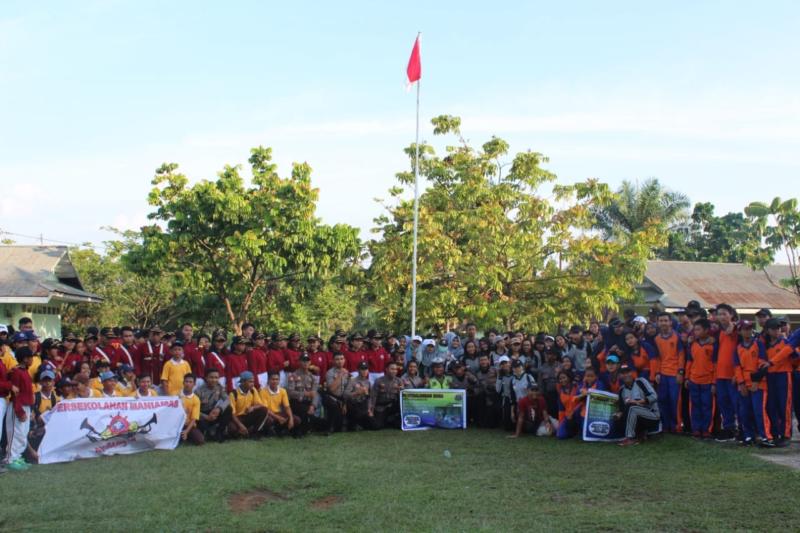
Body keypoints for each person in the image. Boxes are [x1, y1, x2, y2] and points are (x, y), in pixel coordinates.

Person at [734, 320, 773, 447]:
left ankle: (765, 437)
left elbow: (762, 364)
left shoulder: (758, 344)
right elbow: (737, 367)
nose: (748, 331)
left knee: (759, 411)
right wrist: (741, 383)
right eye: (745, 328)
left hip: (758, 383)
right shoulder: (738, 347)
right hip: (744, 383)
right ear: (739, 331)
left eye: (750, 328)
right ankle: (748, 436)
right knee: (744, 411)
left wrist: (756, 381)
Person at [651, 312, 685, 433]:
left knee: (675, 401)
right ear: (657, 322)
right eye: (661, 321)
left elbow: (681, 355)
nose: (663, 323)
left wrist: (680, 372)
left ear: (670, 322)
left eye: (666, 320)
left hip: (674, 374)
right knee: (662, 400)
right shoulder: (657, 339)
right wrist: (657, 373)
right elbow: (658, 358)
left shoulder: (677, 337)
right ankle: (666, 425)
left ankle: (676, 426)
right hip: (663, 374)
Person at [763, 318, 795, 445]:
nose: (776, 331)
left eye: (778, 328)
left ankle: (786, 434)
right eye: (773, 328)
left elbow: (794, 358)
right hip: (770, 376)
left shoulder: (786, 342)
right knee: (771, 406)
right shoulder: (764, 344)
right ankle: (775, 433)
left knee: (784, 406)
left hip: (783, 375)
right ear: (767, 330)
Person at [686, 319, 717, 439]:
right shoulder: (692, 344)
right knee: (695, 405)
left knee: (707, 406)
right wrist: (687, 377)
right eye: (695, 329)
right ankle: (696, 429)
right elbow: (689, 361)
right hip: (694, 380)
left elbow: (715, 365)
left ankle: (706, 429)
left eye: (698, 329)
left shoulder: (713, 345)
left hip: (708, 381)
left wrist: (714, 382)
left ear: (706, 330)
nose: (695, 332)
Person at [616, 364, 661, 446]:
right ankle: (640, 434)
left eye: (628, 372)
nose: (626, 375)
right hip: (637, 417)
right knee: (619, 418)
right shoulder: (622, 390)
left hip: (651, 414)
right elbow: (622, 409)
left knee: (632, 407)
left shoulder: (640, 381)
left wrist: (639, 402)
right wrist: (618, 414)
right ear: (620, 376)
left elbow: (654, 396)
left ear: (631, 372)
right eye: (623, 373)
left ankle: (631, 438)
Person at [5, 347, 34, 470]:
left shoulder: (25, 371)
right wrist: (19, 410)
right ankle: (11, 458)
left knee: (23, 434)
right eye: (31, 357)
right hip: (18, 406)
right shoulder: (16, 372)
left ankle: (17, 457)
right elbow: (15, 394)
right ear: (25, 359)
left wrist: (29, 409)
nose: (32, 360)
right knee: (15, 434)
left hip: (26, 406)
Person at [714, 304, 740, 441]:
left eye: (725, 313)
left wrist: (735, 325)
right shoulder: (719, 332)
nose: (722, 316)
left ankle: (743, 428)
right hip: (720, 374)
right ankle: (729, 428)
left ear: (731, 315)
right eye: (720, 314)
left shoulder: (737, 330)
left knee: (737, 403)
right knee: (724, 403)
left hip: (733, 375)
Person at [228, 371, 269, 439]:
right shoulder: (233, 394)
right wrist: (240, 425)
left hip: (248, 416)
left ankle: (254, 433)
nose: (252, 384)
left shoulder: (253, 390)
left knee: (264, 410)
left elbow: (260, 405)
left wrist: (253, 407)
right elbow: (232, 414)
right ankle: (242, 433)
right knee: (232, 428)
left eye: (253, 382)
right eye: (250, 382)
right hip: (238, 418)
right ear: (243, 382)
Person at [286, 354, 319, 436]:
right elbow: (290, 392)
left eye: (307, 361)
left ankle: (306, 429)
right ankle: (300, 430)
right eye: (303, 361)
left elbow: (315, 394)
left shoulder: (313, 377)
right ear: (299, 362)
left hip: (307, 403)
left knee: (312, 415)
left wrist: (313, 406)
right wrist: (305, 393)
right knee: (305, 412)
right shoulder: (293, 375)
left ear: (310, 362)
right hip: (296, 402)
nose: (305, 363)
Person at [196, 368, 232, 442]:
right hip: (202, 416)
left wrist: (219, 408)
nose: (214, 380)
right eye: (211, 377)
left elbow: (227, 399)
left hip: (214, 413)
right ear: (206, 378)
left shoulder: (219, 387)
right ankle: (208, 433)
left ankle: (219, 433)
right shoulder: (198, 391)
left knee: (228, 409)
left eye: (216, 378)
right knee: (202, 433)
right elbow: (195, 410)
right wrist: (206, 417)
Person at [260, 372, 299, 436]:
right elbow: (265, 409)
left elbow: (287, 407)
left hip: (279, 413)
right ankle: (273, 431)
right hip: (269, 414)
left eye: (277, 379)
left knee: (297, 419)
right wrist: (278, 418)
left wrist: (291, 418)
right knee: (269, 420)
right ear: (268, 380)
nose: (275, 381)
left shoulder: (282, 391)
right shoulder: (263, 391)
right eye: (273, 379)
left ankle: (280, 430)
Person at [368, 361, 402, 429]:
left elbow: (402, 397)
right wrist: (371, 410)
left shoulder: (399, 381)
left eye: (395, 369)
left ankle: (391, 420)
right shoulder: (379, 381)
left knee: (399, 425)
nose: (394, 371)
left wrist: (400, 390)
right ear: (386, 369)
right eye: (392, 369)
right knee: (377, 426)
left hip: (392, 406)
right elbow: (373, 397)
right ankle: (387, 420)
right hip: (381, 407)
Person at [323, 352, 350, 433]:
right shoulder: (330, 373)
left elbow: (347, 389)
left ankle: (350, 424)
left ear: (344, 360)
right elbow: (332, 389)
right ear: (333, 361)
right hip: (332, 398)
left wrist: (344, 403)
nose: (340, 361)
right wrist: (340, 375)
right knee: (332, 404)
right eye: (337, 359)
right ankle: (330, 427)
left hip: (343, 399)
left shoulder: (347, 372)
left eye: (341, 359)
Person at [344, 361, 371, 430]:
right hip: (354, 406)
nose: (364, 371)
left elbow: (369, 397)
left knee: (374, 425)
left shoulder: (368, 382)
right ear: (358, 370)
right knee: (352, 427)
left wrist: (369, 409)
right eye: (362, 369)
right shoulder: (352, 381)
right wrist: (356, 393)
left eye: (366, 369)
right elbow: (345, 395)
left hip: (363, 406)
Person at [474, 354, 499, 427]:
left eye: (485, 360)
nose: (483, 362)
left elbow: (499, 381)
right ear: (479, 362)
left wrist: (494, 387)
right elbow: (476, 386)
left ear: (488, 361)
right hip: (483, 394)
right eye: (481, 360)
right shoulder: (477, 373)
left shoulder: (495, 370)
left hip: (494, 393)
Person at [179, 374, 204, 445]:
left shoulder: (196, 399)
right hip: (177, 424)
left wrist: (186, 431)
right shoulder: (176, 396)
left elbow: (194, 419)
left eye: (190, 382)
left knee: (200, 440)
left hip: (188, 425)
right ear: (183, 382)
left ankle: (187, 436)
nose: (188, 384)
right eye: (186, 381)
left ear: (194, 384)